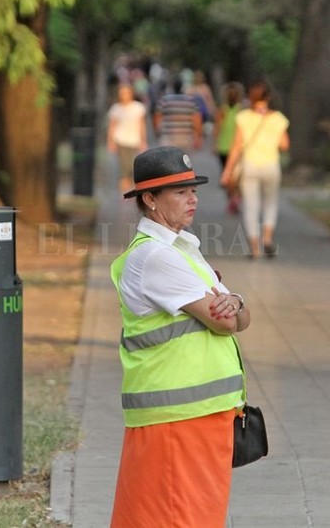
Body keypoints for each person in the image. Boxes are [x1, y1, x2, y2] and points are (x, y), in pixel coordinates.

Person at [110, 146, 252, 527]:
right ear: (150, 199)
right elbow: (225, 322)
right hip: (176, 418)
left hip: (198, 413)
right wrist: (231, 307)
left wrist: (234, 301)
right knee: (178, 517)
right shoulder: (157, 257)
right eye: (180, 191)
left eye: (193, 189)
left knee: (191, 516)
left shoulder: (185, 249)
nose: (193, 199)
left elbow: (241, 316)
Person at [220, 81, 289, 258]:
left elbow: (236, 147)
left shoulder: (243, 117)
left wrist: (227, 171)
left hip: (250, 165)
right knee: (270, 203)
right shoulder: (278, 118)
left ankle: (254, 247)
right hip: (271, 165)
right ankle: (267, 239)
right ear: (268, 97)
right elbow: (284, 144)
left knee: (251, 205)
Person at [107, 84, 148, 196]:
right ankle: (124, 187)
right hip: (121, 140)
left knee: (133, 164)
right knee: (124, 164)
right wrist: (110, 141)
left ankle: (129, 183)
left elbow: (141, 125)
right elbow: (112, 125)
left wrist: (143, 140)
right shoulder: (116, 109)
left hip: (134, 139)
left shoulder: (138, 108)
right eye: (122, 93)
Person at [213, 82, 245, 214]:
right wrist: (215, 143)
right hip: (224, 147)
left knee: (237, 177)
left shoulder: (241, 110)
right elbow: (218, 127)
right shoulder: (223, 110)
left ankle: (235, 198)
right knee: (228, 177)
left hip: (238, 147)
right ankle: (232, 198)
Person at [153, 77, 203, 150]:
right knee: (183, 159)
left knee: (167, 160)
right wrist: (198, 136)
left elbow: (157, 118)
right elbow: (197, 120)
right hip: (186, 137)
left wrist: (157, 132)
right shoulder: (191, 101)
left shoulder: (164, 100)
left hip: (168, 137)